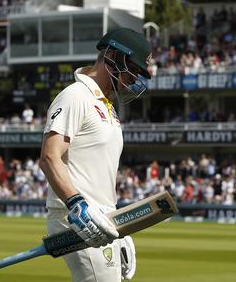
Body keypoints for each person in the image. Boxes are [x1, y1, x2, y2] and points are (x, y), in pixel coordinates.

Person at [39, 28, 152, 282]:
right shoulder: (75, 96)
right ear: (112, 55)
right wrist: (77, 205)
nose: (132, 79)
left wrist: (118, 229)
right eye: (131, 69)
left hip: (102, 219)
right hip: (77, 219)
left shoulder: (107, 107)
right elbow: (49, 157)